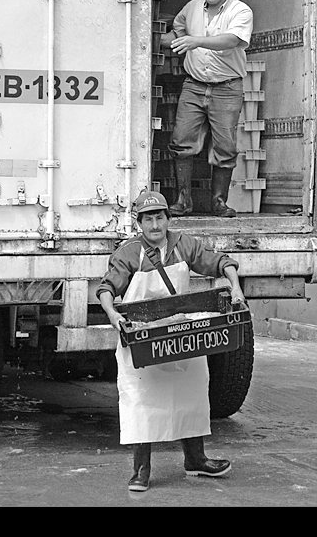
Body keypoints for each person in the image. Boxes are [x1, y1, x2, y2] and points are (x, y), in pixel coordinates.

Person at [97, 190, 246, 492]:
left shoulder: (182, 245)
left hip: (181, 335)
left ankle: (196, 459)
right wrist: (112, 313)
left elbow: (219, 262)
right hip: (143, 338)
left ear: (168, 219)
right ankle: (141, 470)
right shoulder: (129, 253)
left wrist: (235, 286)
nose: (155, 225)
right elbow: (107, 287)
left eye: (160, 217)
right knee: (141, 400)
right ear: (140, 223)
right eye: (148, 219)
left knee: (191, 391)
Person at [160, 0, 253, 217]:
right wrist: (156, 38)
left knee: (225, 147)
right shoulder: (191, 8)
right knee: (181, 141)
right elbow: (176, 34)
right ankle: (183, 201)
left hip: (227, 87)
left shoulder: (241, 11)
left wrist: (195, 41)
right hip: (194, 85)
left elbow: (231, 40)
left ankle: (219, 202)